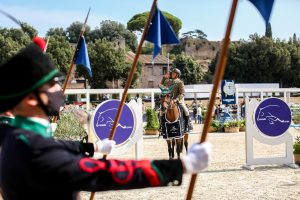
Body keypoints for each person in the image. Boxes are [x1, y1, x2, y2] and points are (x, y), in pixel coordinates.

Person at [0, 39, 211, 199]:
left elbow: (56, 146)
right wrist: (181, 166)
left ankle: (187, 124)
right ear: (30, 98)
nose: (60, 90)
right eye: (52, 84)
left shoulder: (18, 136)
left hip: (178, 99)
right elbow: (104, 174)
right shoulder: (32, 148)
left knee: (182, 109)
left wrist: (95, 148)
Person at [160, 68, 190, 132]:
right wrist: (164, 78)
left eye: (174, 73)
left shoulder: (180, 82)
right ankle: (161, 127)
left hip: (178, 100)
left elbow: (182, 93)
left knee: (186, 111)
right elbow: (161, 86)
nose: (172, 74)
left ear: (177, 75)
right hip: (168, 100)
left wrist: (176, 99)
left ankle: (187, 126)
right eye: (172, 73)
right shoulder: (168, 81)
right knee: (161, 112)